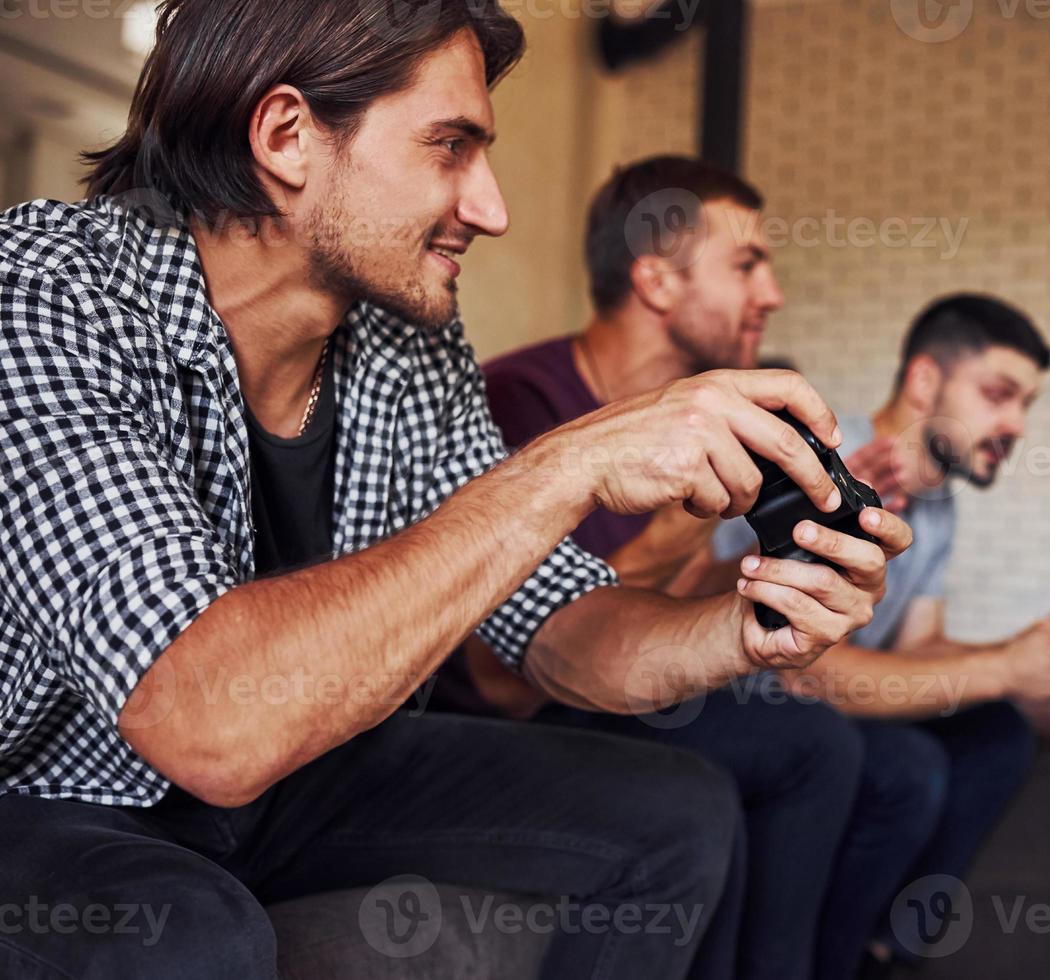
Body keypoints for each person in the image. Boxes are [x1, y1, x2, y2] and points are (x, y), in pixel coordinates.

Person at [0, 4, 911, 978]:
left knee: (677, 808)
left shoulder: (407, 336)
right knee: (193, 932)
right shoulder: (48, 289)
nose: (491, 206)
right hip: (50, 794)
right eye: (450, 147)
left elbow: (559, 631)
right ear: (287, 136)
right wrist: (564, 464)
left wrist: (744, 627)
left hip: (301, 777)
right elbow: (208, 724)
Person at [441, 155, 868, 980]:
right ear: (656, 282)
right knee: (794, 751)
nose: (771, 294)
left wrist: (789, 570)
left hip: (620, 679)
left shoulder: (705, 421)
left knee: (857, 750)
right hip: (519, 713)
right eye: (746, 265)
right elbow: (505, 667)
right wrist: (680, 527)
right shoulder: (513, 400)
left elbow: (674, 595)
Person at [708, 293, 1050, 977]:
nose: (1016, 424)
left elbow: (916, 650)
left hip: (837, 702)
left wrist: (1032, 649)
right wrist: (1003, 666)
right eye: (999, 395)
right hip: (760, 703)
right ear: (925, 380)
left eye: (1027, 404)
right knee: (909, 766)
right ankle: (834, 963)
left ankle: (888, 947)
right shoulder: (817, 458)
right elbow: (805, 668)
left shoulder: (939, 505)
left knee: (999, 733)